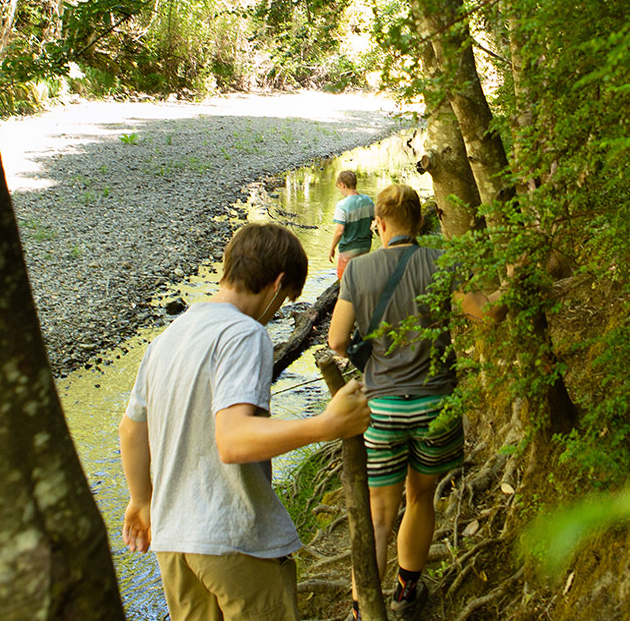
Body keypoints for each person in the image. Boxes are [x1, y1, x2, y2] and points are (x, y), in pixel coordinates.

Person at [120, 221, 372, 621]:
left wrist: (141, 499)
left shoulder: (168, 338)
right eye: (288, 297)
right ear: (277, 284)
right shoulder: (245, 334)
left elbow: (132, 428)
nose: (277, 311)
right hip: (233, 537)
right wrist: (327, 424)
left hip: (173, 543)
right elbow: (233, 440)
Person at [327, 184, 498, 620]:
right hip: (435, 403)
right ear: (420, 222)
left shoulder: (358, 271)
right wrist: (515, 280)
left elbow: (337, 340)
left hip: (381, 408)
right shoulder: (443, 261)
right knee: (421, 498)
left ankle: (364, 608)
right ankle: (406, 593)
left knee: (379, 515)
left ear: (379, 225)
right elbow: (483, 313)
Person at [327, 170, 375, 280]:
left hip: (349, 249)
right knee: (360, 279)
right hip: (365, 246)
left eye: (339, 187)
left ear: (342, 185)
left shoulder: (342, 205)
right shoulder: (367, 200)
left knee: (345, 281)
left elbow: (340, 231)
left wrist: (332, 248)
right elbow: (377, 217)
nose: (340, 191)